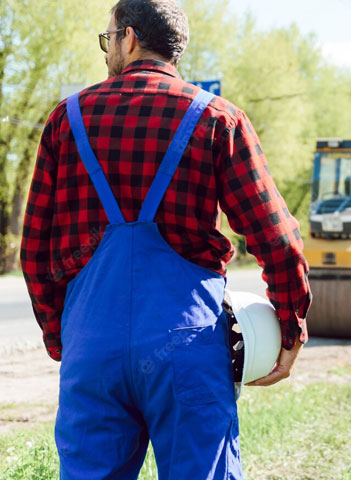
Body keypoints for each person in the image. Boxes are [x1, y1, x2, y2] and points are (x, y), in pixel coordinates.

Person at [19, 0, 311, 478]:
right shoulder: (219, 119)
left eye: (108, 39)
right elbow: (276, 237)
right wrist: (291, 325)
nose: (107, 50)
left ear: (128, 39)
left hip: (93, 352)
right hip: (188, 347)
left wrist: (64, 340)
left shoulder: (64, 122)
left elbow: (34, 254)